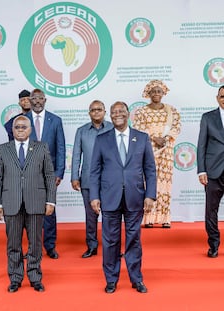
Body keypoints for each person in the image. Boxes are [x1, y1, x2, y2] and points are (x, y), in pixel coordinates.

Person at [90, 101, 156, 294]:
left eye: (121, 111)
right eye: (114, 112)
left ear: (128, 114)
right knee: (110, 241)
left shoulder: (142, 138)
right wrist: (94, 196)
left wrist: (150, 194)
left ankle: (136, 279)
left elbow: (150, 169)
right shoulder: (102, 139)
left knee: (134, 239)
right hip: (109, 197)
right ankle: (111, 279)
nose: (117, 114)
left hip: (135, 196)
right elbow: (94, 171)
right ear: (110, 116)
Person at [0, 115, 56, 293]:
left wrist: (51, 200)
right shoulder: (3, 149)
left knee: (35, 243)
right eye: (17, 127)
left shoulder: (41, 148)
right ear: (12, 130)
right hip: (11, 203)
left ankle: (35, 277)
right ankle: (15, 278)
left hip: (36, 202)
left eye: (23, 127)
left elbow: (49, 176)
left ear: (30, 130)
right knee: (13, 243)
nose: (20, 129)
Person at [133, 80, 181, 228]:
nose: (156, 94)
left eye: (159, 91)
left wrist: (165, 139)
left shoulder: (171, 111)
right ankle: (148, 218)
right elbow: (138, 128)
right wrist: (154, 138)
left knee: (165, 183)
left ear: (163, 92)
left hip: (166, 151)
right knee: (149, 181)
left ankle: (165, 217)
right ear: (148, 93)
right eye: (153, 91)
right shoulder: (141, 111)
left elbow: (176, 127)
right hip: (148, 149)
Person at [26, 88, 65, 259]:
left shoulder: (55, 120)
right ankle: (33, 247)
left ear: (45, 100)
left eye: (40, 98)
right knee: (29, 211)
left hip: (50, 173)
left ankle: (50, 246)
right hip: (27, 173)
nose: (37, 101)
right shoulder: (22, 120)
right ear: (30, 100)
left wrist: (60, 172)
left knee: (49, 210)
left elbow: (61, 148)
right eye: (34, 98)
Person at [71, 100, 113, 258]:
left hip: (110, 180)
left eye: (99, 110)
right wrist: (75, 176)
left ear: (104, 112)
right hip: (88, 180)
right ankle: (92, 246)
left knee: (111, 215)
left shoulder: (112, 128)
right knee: (90, 216)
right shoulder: (81, 131)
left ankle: (112, 247)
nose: (96, 112)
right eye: (93, 110)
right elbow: (76, 155)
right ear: (89, 113)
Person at [197, 85, 224, 258]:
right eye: (222, 96)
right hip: (214, 171)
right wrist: (201, 171)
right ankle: (213, 244)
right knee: (211, 211)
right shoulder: (207, 118)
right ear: (217, 98)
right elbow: (201, 145)